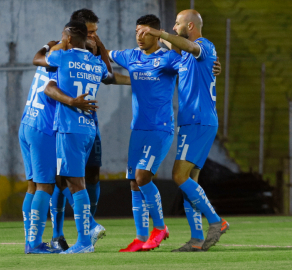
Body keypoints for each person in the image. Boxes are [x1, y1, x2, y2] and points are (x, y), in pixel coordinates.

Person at [136, 9, 229, 252]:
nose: (174, 26)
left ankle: (216, 221)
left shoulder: (203, 46)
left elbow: (181, 43)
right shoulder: (186, 56)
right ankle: (197, 239)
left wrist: (158, 32)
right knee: (190, 182)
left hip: (199, 121)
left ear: (189, 26)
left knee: (179, 176)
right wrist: (156, 37)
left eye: (177, 23)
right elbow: (172, 44)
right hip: (192, 121)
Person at [108, 14, 181, 252]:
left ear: (156, 34)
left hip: (160, 129)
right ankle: (140, 237)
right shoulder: (132, 56)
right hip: (137, 129)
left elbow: (192, 61)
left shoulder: (168, 58)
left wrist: (212, 66)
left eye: (145, 32)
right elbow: (106, 53)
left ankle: (159, 228)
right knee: (133, 183)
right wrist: (92, 41)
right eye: (137, 32)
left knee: (142, 177)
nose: (139, 37)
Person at [20, 41, 98, 254]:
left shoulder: (44, 64)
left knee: (33, 186)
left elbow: (39, 56)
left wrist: (46, 46)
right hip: (43, 129)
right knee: (48, 185)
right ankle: (35, 243)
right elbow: (51, 90)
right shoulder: (62, 68)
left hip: (27, 123)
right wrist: (73, 101)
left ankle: (33, 239)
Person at [45, 20, 115, 254]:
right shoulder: (96, 64)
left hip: (69, 127)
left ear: (68, 39)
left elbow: (42, 57)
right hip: (88, 129)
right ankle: (86, 233)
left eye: (64, 37)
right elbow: (109, 72)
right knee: (67, 180)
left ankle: (85, 240)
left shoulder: (62, 57)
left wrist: (53, 45)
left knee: (76, 184)